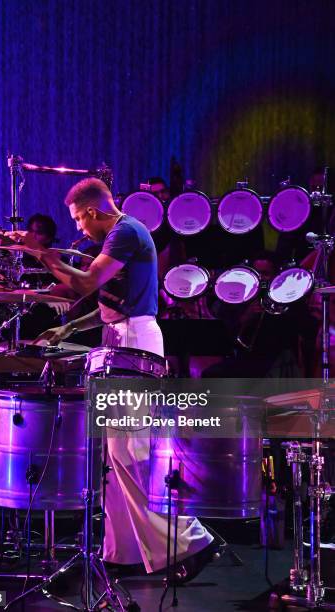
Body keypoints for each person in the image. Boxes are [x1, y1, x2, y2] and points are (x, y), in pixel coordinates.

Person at [13, 178, 220, 578]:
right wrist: (69, 329)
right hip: (123, 336)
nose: (78, 229)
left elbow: (88, 283)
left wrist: (42, 255)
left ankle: (194, 541)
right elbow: (110, 303)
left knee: (131, 453)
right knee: (115, 456)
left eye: (78, 219)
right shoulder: (123, 235)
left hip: (135, 342)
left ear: (92, 211)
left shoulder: (125, 232)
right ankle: (122, 552)